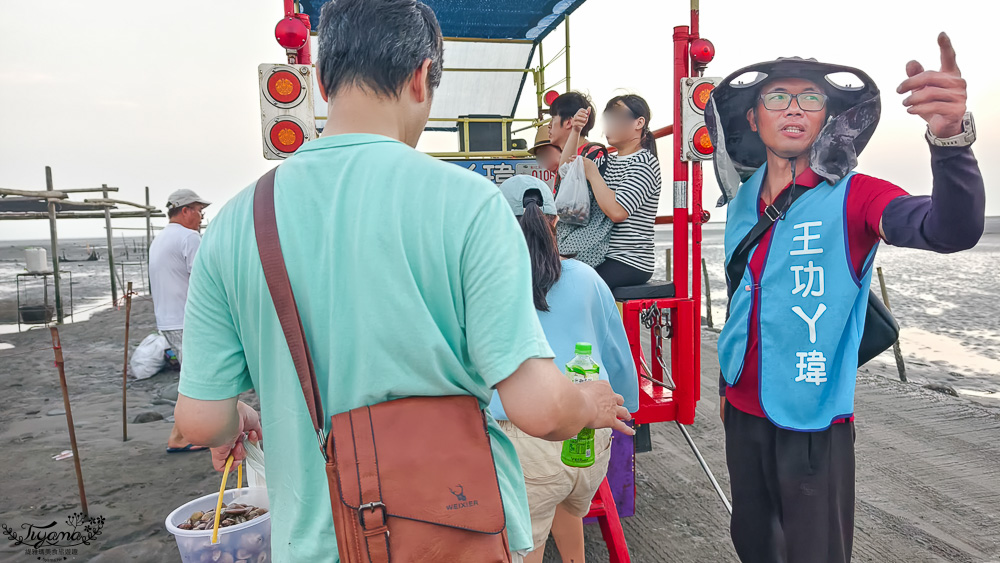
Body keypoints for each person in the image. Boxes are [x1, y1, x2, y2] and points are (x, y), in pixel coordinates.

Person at [171, 1, 632, 562]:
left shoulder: (237, 222)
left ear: (320, 79)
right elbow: (537, 407)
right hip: (452, 532)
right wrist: (587, 402)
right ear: (421, 76)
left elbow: (199, 420)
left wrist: (237, 419)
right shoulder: (469, 203)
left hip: (314, 544)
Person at [707, 35, 985, 563]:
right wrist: (726, 383)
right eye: (777, 97)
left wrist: (951, 142)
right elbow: (744, 300)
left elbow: (951, 229)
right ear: (751, 119)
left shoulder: (858, 195)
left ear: (829, 117)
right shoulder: (741, 200)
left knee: (816, 553)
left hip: (814, 418)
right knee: (753, 542)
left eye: (810, 97)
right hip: (742, 409)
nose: (793, 108)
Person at [489, 175, 639, 563]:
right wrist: (627, 405)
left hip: (525, 438)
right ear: (555, 222)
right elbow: (618, 357)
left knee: (527, 544)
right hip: (589, 435)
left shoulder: (489, 284)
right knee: (570, 508)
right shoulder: (588, 278)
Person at [562, 95, 662, 289]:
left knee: (570, 286)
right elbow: (566, 171)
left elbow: (617, 212)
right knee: (553, 274)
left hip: (628, 259)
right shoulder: (608, 161)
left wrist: (592, 173)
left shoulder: (644, 163)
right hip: (597, 252)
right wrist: (576, 130)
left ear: (638, 122)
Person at [148, 188, 211, 454]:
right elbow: (203, 280)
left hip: (167, 318)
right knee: (196, 378)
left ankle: (183, 432)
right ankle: (182, 435)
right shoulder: (189, 237)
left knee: (190, 376)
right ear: (184, 210)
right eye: (198, 210)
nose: (200, 216)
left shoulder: (160, 238)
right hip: (187, 318)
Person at [548, 91, 614, 268]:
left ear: (568, 122)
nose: (548, 127)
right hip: (569, 236)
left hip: (581, 241)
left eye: (552, 120)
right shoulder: (583, 154)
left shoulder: (593, 154)